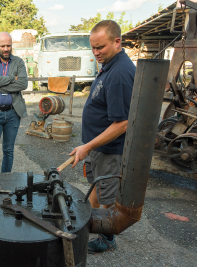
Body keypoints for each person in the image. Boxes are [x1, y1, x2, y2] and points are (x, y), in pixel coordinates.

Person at [68, 20, 136, 254]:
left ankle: (108, 239)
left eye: (101, 47)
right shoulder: (110, 65)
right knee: (96, 187)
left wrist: (88, 146)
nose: (95, 52)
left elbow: (123, 123)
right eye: (93, 47)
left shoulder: (119, 73)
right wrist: (89, 146)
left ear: (117, 42)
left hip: (109, 150)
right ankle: (84, 224)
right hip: (98, 147)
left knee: (107, 197)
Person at [0, 32, 28, 173]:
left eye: (9, 45)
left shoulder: (19, 62)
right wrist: (11, 78)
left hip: (13, 113)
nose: (6, 49)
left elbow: (23, 84)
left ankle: (5, 181)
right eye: (3, 46)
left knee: (8, 151)